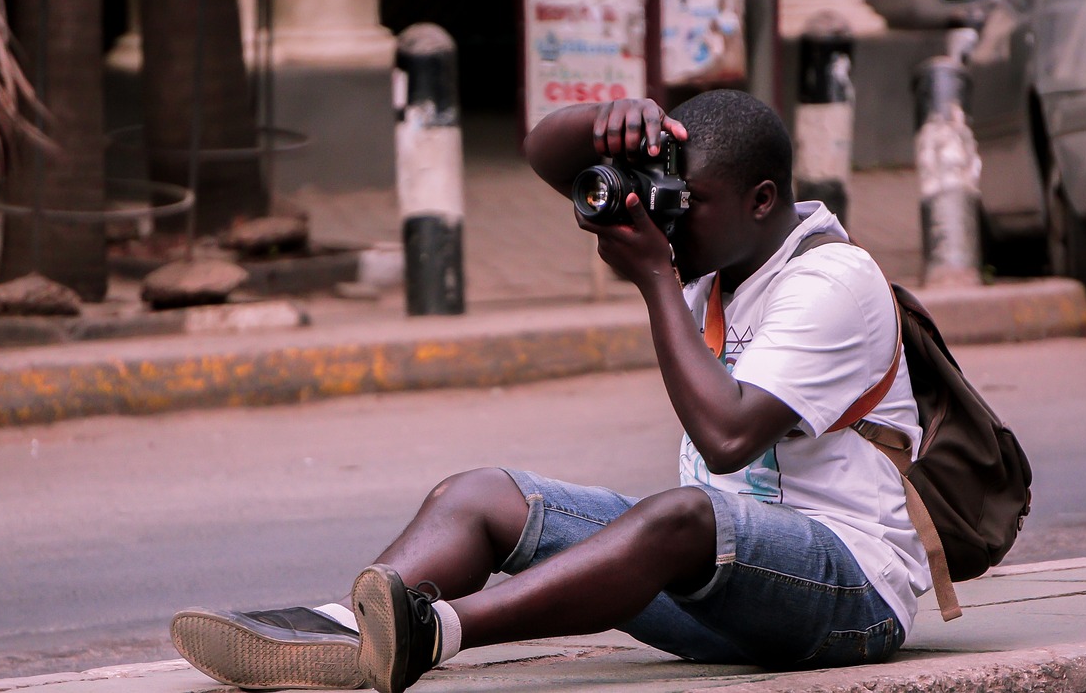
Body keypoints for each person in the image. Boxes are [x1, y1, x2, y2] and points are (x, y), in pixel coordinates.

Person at [169, 89, 930, 693]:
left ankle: (426, 633)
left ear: (763, 201)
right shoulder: (716, 260)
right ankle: (346, 634)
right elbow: (543, 153)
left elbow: (726, 442)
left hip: (848, 593)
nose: (664, 221)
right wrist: (606, 122)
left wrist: (656, 278)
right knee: (481, 495)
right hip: (719, 596)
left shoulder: (832, 279)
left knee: (683, 515)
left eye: (685, 202)